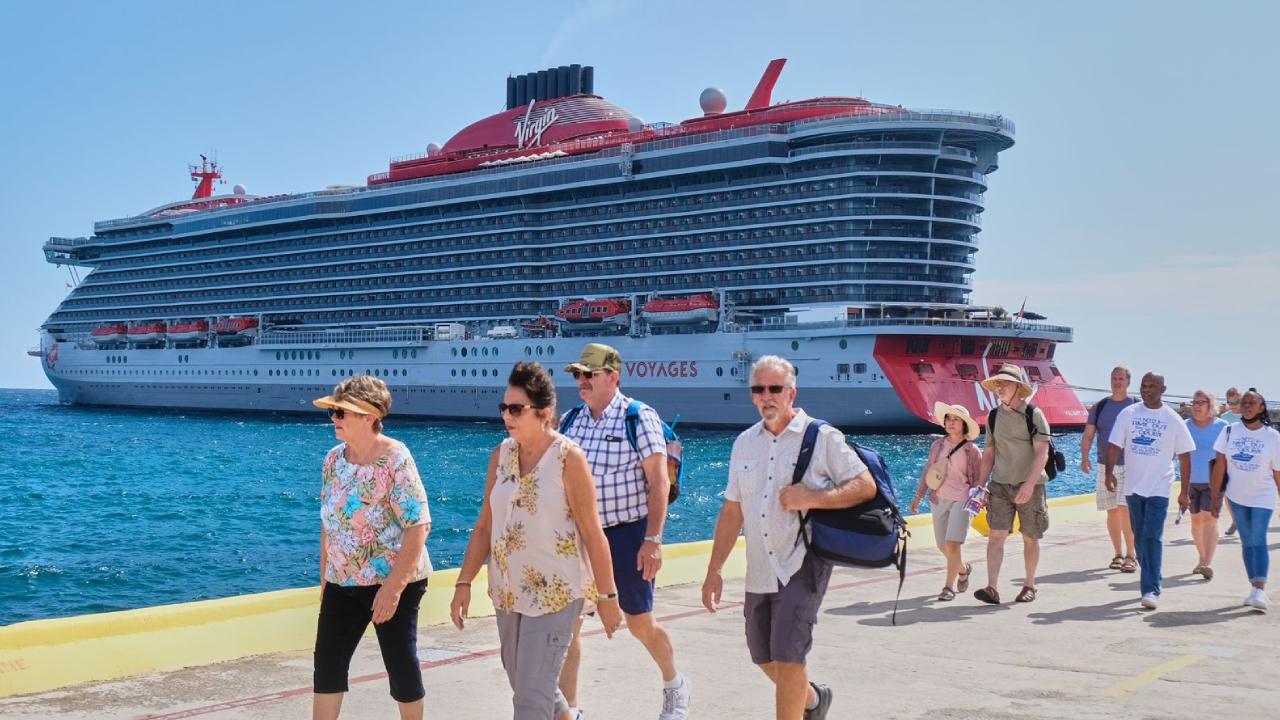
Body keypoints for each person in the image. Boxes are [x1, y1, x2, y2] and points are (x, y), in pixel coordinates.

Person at [701, 355, 875, 720]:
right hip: (760, 568)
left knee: (788, 657)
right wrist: (714, 570)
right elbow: (732, 511)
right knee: (762, 655)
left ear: (791, 392)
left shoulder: (821, 437)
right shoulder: (744, 443)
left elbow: (865, 486)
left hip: (803, 562)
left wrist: (811, 498)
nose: (766, 396)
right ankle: (813, 700)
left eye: (774, 388)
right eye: (758, 389)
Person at [449, 362, 623, 719]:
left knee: (530, 699)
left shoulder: (567, 459)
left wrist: (608, 597)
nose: (507, 416)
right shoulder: (502, 455)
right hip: (508, 592)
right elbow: (484, 525)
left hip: (556, 594)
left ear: (544, 413)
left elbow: (592, 533)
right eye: (504, 408)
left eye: (516, 409)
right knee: (526, 681)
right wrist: (464, 581)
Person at [557, 343, 689, 720]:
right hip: (582, 537)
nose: (581, 381)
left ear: (612, 377)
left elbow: (658, 482)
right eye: (577, 375)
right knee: (571, 628)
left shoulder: (637, 417)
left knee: (639, 622)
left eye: (589, 374)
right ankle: (571, 710)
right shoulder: (571, 421)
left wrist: (653, 540)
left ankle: (675, 686)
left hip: (628, 534)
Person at [312, 376, 433, 720]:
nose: (333, 419)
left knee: (401, 666)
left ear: (368, 417)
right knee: (327, 668)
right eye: (333, 412)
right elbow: (329, 525)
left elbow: (418, 525)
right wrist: (325, 582)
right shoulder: (334, 460)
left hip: (393, 580)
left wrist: (393, 589)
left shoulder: (396, 458)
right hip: (342, 582)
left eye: (341, 412)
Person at [1105, 372, 1194, 610]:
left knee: (1152, 536)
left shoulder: (1172, 419)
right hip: (1134, 486)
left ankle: (1151, 588)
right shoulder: (1129, 414)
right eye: (1144, 386)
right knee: (1139, 535)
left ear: (1163, 389)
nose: (1146, 390)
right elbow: (1114, 445)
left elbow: (1185, 456)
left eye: (1152, 386)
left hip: (1159, 486)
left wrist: (1184, 492)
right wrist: (1108, 473)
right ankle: (1151, 572)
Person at [974, 363, 1051, 605]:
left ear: (1018, 387)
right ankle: (992, 588)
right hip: (1000, 485)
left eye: (1004, 383)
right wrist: (980, 486)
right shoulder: (993, 416)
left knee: (1030, 536)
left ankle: (1029, 585)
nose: (999, 388)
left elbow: (1042, 453)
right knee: (995, 536)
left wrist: (1029, 485)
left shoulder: (1033, 414)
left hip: (1030, 484)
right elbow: (988, 454)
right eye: (997, 384)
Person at [1210, 388, 1280, 612]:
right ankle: (1253, 586)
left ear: (1261, 407)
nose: (1248, 406)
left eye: (1253, 403)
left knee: (1258, 539)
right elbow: (1220, 464)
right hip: (1236, 496)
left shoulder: (1272, 436)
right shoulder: (1230, 431)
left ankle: (1260, 588)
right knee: (1247, 541)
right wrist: (1215, 497)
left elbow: (1278, 472)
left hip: (1263, 495)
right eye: (1244, 402)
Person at [910, 402, 983, 601]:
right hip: (938, 498)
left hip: (961, 500)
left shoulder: (972, 450)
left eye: (956, 419)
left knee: (953, 544)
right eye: (948, 419)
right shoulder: (938, 445)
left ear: (964, 424)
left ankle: (948, 587)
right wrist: (918, 495)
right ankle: (963, 569)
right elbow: (929, 470)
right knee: (942, 546)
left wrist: (981, 499)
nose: (951, 423)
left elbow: (978, 479)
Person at [1080, 366, 1138, 573]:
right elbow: (1088, 434)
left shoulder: (1136, 406)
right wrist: (1085, 457)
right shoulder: (1100, 406)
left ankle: (1131, 555)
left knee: (1125, 509)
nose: (1117, 382)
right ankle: (1118, 554)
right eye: (1114, 378)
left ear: (1128, 382)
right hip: (1106, 466)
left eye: (1121, 378)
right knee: (1112, 511)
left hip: (1130, 465)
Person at [1185, 389, 1227, 579]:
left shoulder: (1222, 427)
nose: (1196, 406)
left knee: (1210, 520)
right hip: (1191, 482)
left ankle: (1206, 563)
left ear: (1210, 406)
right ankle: (1201, 558)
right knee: (1196, 522)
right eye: (1194, 402)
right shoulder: (1184, 426)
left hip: (1214, 482)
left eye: (1201, 402)